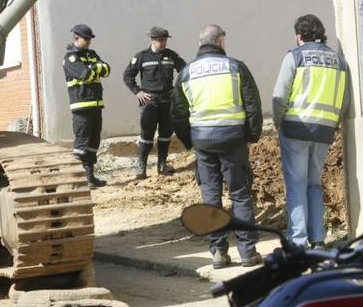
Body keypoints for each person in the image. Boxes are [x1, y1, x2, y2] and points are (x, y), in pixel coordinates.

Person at [172, 24, 263, 268]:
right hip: (233, 138)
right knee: (240, 195)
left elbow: (178, 113)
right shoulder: (235, 66)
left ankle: (218, 253)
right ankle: (247, 252)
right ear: (221, 41)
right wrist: (252, 135)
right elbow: (252, 103)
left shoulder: (187, 72)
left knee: (211, 197)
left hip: (203, 141)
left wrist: (189, 140)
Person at [272, 14, 350, 248]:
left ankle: (298, 241)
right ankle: (317, 238)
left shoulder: (295, 56)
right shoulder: (339, 60)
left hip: (296, 128)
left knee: (296, 185)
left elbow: (280, 95)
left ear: (299, 36)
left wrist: (278, 122)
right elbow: (344, 101)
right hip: (324, 131)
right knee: (314, 184)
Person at [123, 26, 186, 179]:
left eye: (164, 40)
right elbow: (127, 76)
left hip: (167, 100)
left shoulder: (171, 56)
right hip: (149, 101)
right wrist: (138, 92)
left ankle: (162, 165)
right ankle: (141, 169)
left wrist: (177, 90)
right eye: (160, 40)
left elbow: (185, 70)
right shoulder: (142, 56)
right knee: (146, 135)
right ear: (152, 39)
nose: (163, 43)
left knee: (165, 134)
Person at [64, 24, 112, 189]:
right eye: (86, 38)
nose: (89, 41)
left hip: (97, 105)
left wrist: (94, 69)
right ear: (76, 37)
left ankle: (90, 178)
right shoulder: (70, 57)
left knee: (93, 143)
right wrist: (95, 68)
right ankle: (76, 181)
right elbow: (84, 75)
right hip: (81, 106)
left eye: (90, 38)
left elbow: (107, 70)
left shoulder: (92, 54)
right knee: (81, 144)